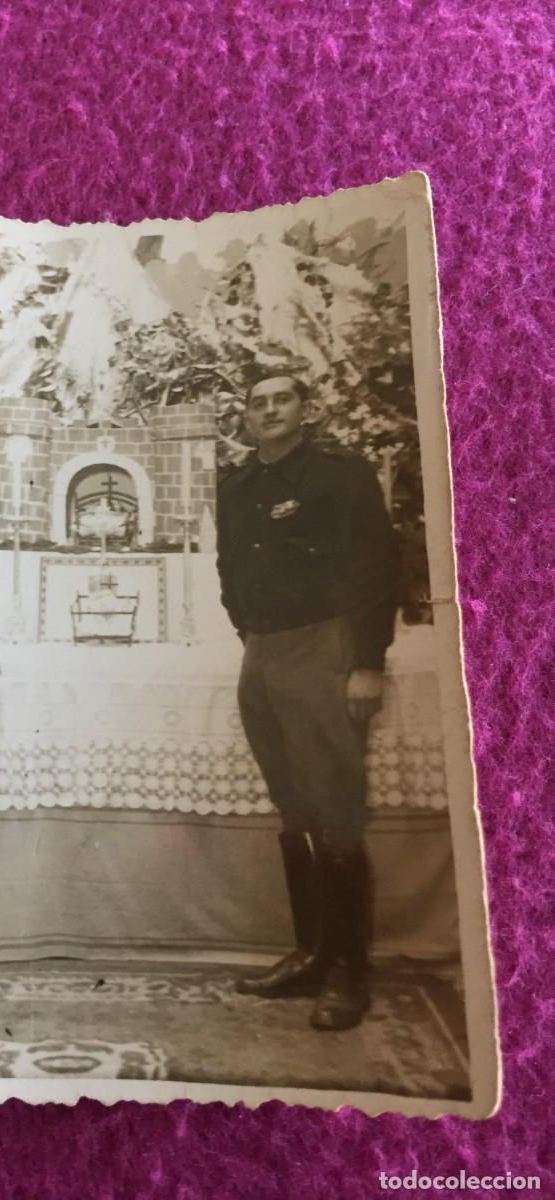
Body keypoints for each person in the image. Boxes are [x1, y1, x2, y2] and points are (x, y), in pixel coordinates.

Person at [216, 371, 399, 1031]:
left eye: (281, 399)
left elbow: (377, 568)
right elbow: (228, 569)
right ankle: (311, 954)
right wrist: (250, 633)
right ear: (247, 416)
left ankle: (350, 973)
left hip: (325, 649)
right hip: (262, 652)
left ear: (305, 409)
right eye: (258, 403)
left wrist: (366, 663)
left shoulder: (338, 475)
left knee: (336, 811)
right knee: (293, 808)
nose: (269, 410)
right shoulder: (236, 485)